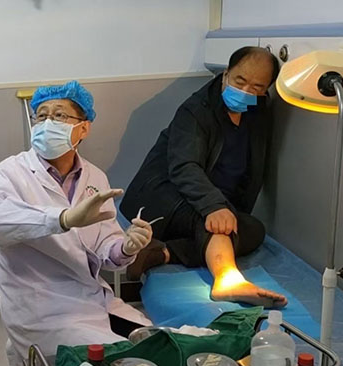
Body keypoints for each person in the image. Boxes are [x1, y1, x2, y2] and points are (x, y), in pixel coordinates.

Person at [0, 81, 154, 366]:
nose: (47, 123)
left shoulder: (94, 177)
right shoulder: (7, 174)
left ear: (84, 128)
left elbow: (105, 245)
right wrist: (63, 218)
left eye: (59, 115)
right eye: (41, 116)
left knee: (158, 347)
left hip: (93, 299)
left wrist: (126, 247)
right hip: (41, 308)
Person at [119, 46, 288, 308]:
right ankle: (227, 279)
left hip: (206, 200)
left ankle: (162, 253)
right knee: (211, 222)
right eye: (240, 81)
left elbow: (249, 174)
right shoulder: (196, 111)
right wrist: (214, 206)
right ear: (226, 74)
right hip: (162, 196)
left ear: (266, 90)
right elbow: (184, 167)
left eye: (256, 87)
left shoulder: (258, 114)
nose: (246, 91)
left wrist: (229, 213)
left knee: (254, 229)